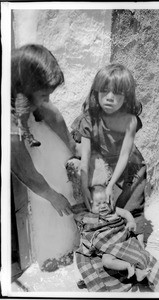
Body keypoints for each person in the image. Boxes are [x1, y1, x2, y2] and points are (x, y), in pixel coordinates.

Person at [11, 44, 78, 270]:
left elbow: (52, 114)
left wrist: (74, 150)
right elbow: (23, 168)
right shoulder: (8, 118)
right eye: (42, 94)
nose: (46, 99)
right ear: (25, 88)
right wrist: (52, 195)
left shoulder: (27, 94)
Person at [71, 63, 147, 246]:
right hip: (103, 165)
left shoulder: (130, 121)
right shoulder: (89, 119)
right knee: (107, 205)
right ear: (96, 92)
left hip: (130, 165)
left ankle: (138, 242)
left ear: (126, 96)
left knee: (132, 203)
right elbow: (86, 157)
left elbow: (125, 155)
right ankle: (112, 241)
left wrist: (112, 184)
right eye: (104, 91)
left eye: (117, 93)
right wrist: (84, 187)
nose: (110, 98)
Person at [73, 184, 159, 292]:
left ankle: (139, 272)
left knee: (139, 255)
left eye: (105, 202)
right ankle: (129, 267)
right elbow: (85, 228)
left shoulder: (114, 210)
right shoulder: (91, 218)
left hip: (124, 241)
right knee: (107, 261)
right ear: (90, 206)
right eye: (98, 204)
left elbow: (126, 213)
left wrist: (131, 221)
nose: (103, 206)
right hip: (109, 247)